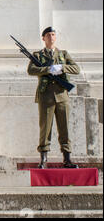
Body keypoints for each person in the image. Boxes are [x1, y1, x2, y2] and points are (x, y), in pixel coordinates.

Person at [27, 27, 80, 169]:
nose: (51, 37)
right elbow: (31, 70)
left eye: (53, 34)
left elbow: (76, 69)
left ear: (55, 37)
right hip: (46, 97)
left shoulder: (63, 54)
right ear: (43, 38)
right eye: (48, 35)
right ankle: (44, 158)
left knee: (65, 128)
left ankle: (67, 158)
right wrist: (48, 69)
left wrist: (62, 68)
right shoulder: (37, 55)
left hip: (62, 96)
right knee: (45, 128)